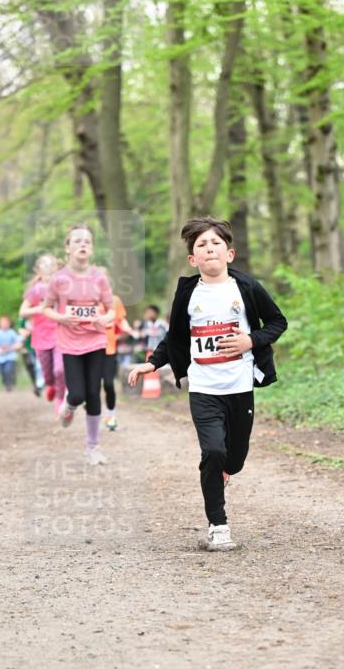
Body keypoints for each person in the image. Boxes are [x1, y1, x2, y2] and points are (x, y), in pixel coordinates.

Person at [128, 216, 288, 550]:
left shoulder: (246, 287)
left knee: (235, 459)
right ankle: (218, 525)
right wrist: (153, 364)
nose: (209, 248)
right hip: (203, 387)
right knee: (213, 451)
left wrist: (250, 341)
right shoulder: (188, 292)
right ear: (193, 259)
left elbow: (277, 322)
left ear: (229, 254)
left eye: (216, 243)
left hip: (240, 384)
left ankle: (224, 472)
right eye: (201, 245)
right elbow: (175, 339)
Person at [42, 224, 115, 465]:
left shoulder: (99, 279)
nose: (82, 244)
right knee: (78, 393)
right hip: (70, 343)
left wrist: (105, 318)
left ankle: (93, 448)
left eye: (87, 241)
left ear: (92, 249)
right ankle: (70, 404)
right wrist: (61, 318)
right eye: (77, 241)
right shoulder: (59, 280)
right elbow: (45, 309)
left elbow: (111, 309)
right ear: (68, 248)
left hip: (95, 340)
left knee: (94, 393)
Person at [19, 254, 65, 414]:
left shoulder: (62, 287)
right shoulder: (35, 290)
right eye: (45, 266)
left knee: (60, 370)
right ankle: (50, 385)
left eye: (52, 266)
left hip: (60, 335)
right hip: (40, 337)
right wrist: (40, 308)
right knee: (47, 373)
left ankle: (60, 399)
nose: (49, 269)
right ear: (38, 270)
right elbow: (22, 312)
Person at [99, 271, 133, 431]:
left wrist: (127, 328)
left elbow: (121, 320)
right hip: (88, 349)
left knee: (108, 384)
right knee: (91, 387)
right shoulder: (85, 301)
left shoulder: (114, 300)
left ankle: (111, 415)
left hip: (108, 349)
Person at [0, 316, 23, 391]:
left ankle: (10, 384)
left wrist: (10, 348)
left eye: (6, 323)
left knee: (8, 370)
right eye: (2, 323)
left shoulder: (12, 332)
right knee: (1, 372)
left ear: (9, 324)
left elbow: (18, 343)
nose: (4, 324)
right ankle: (6, 383)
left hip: (10, 356)